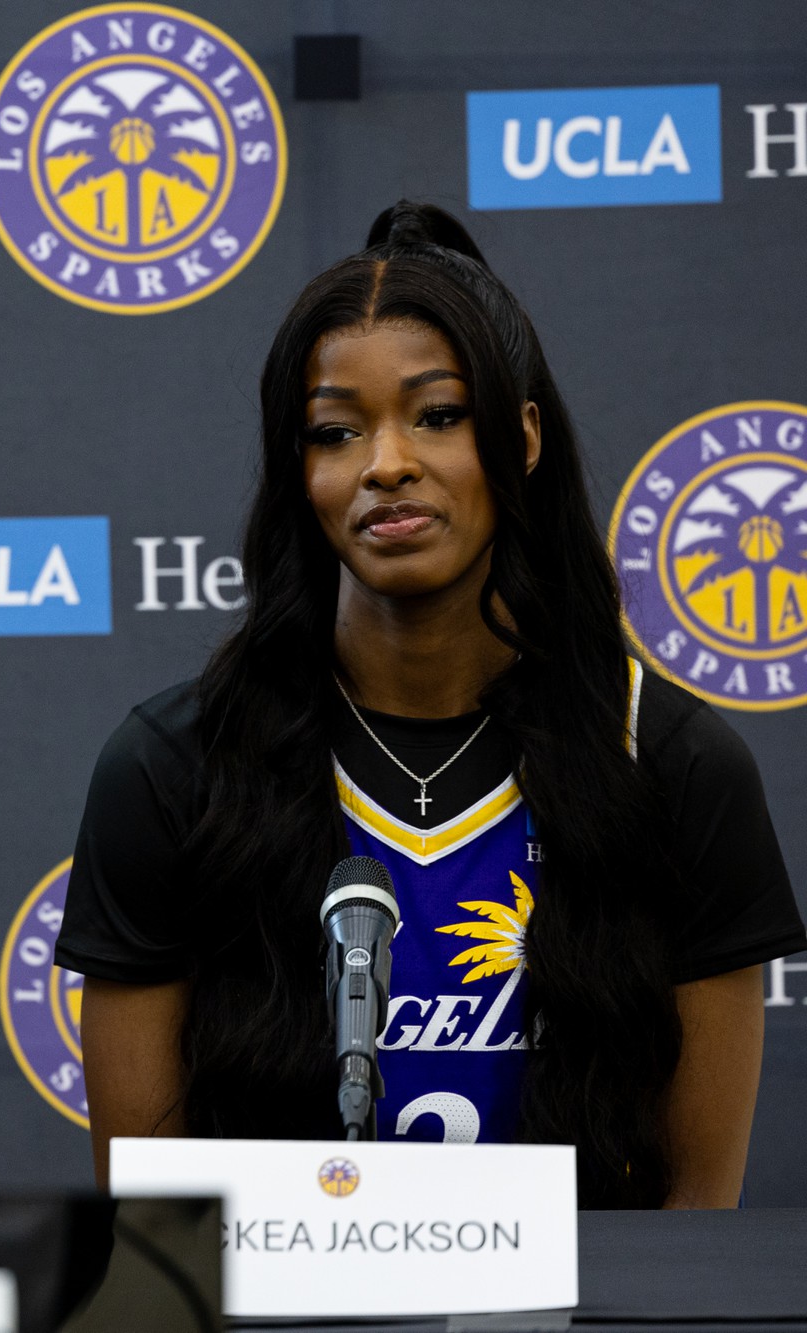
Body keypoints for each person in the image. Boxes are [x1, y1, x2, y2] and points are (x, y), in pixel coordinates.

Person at [57, 202, 805, 1209]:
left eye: (437, 414)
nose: (385, 463)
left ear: (521, 435)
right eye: (334, 430)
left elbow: (693, 1219)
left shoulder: (670, 766)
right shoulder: (172, 768)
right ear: (298, 469)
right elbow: (156, 1235)